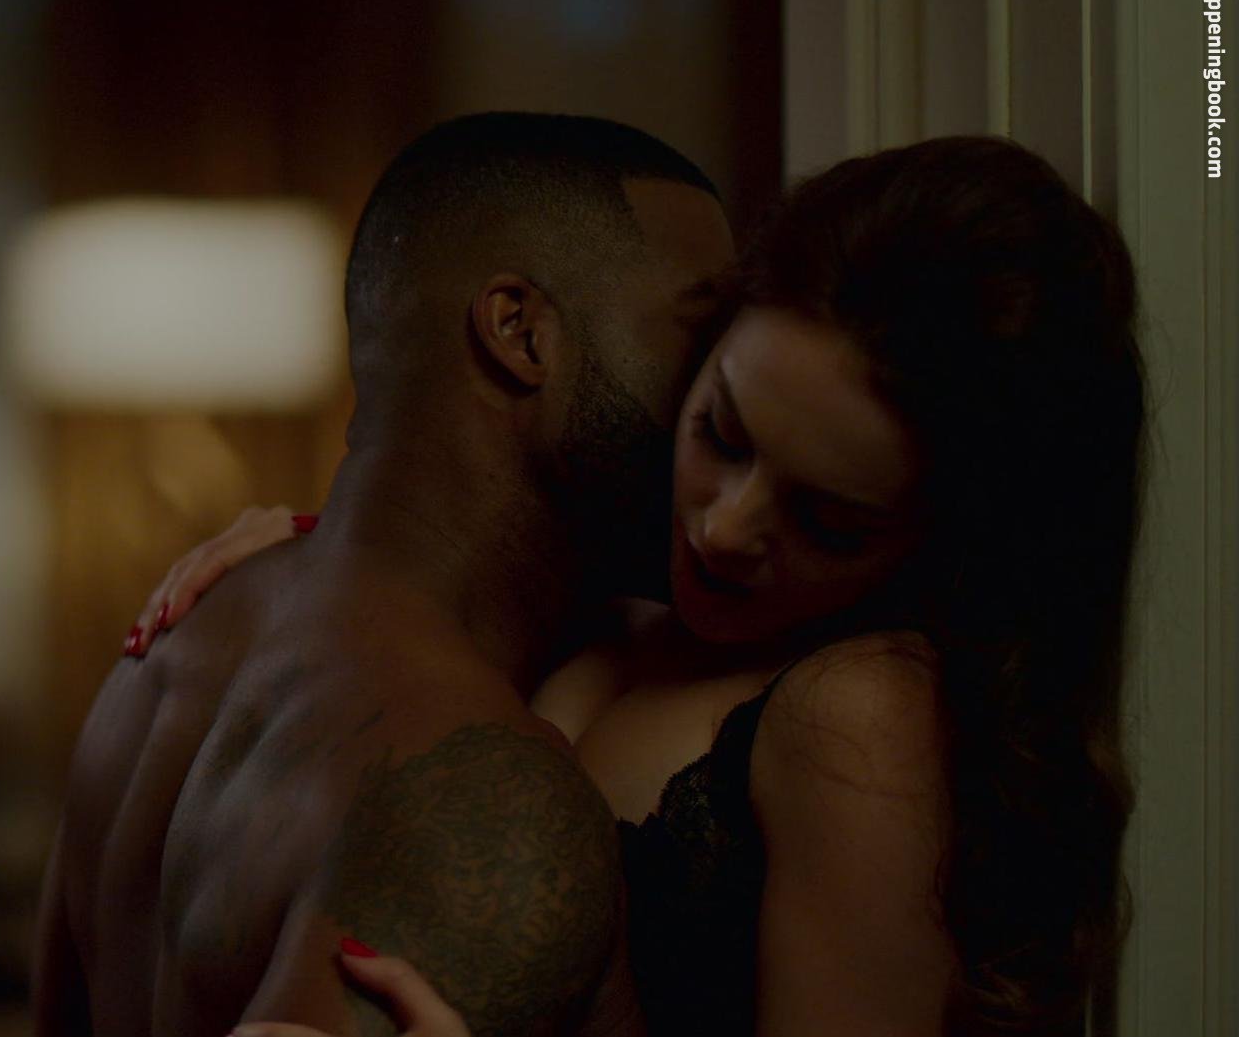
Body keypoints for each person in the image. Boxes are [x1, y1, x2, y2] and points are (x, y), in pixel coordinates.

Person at [136, 136, 1144, 1037]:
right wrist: (322, 556)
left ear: (940, 539)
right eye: (722, 432)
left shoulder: (860, 717)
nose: (724, 527)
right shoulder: (615, 610)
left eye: (828, 522)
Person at [29, 112, 735, 1037]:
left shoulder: (181, 640)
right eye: (702, 328)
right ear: (520, 332)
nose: (728, 385)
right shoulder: (477, 802)